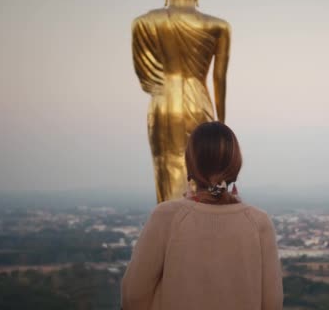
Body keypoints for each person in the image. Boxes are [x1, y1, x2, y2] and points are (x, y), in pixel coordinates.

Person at [121, 122, 283, 310]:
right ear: (235, 165)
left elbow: (133, 295)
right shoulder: (258, 222)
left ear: (191, 164)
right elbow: (272, 303)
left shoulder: (167, 216)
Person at [132, 0, 231, 203]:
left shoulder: (146, 22)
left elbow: (145, 78)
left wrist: (165, 84)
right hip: (199, 102)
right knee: (204, 169)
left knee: (166, 168)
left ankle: (170, 222)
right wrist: (221, 127)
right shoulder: (218, 26)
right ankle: (200, 220)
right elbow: (219, 80)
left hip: (164, 101)